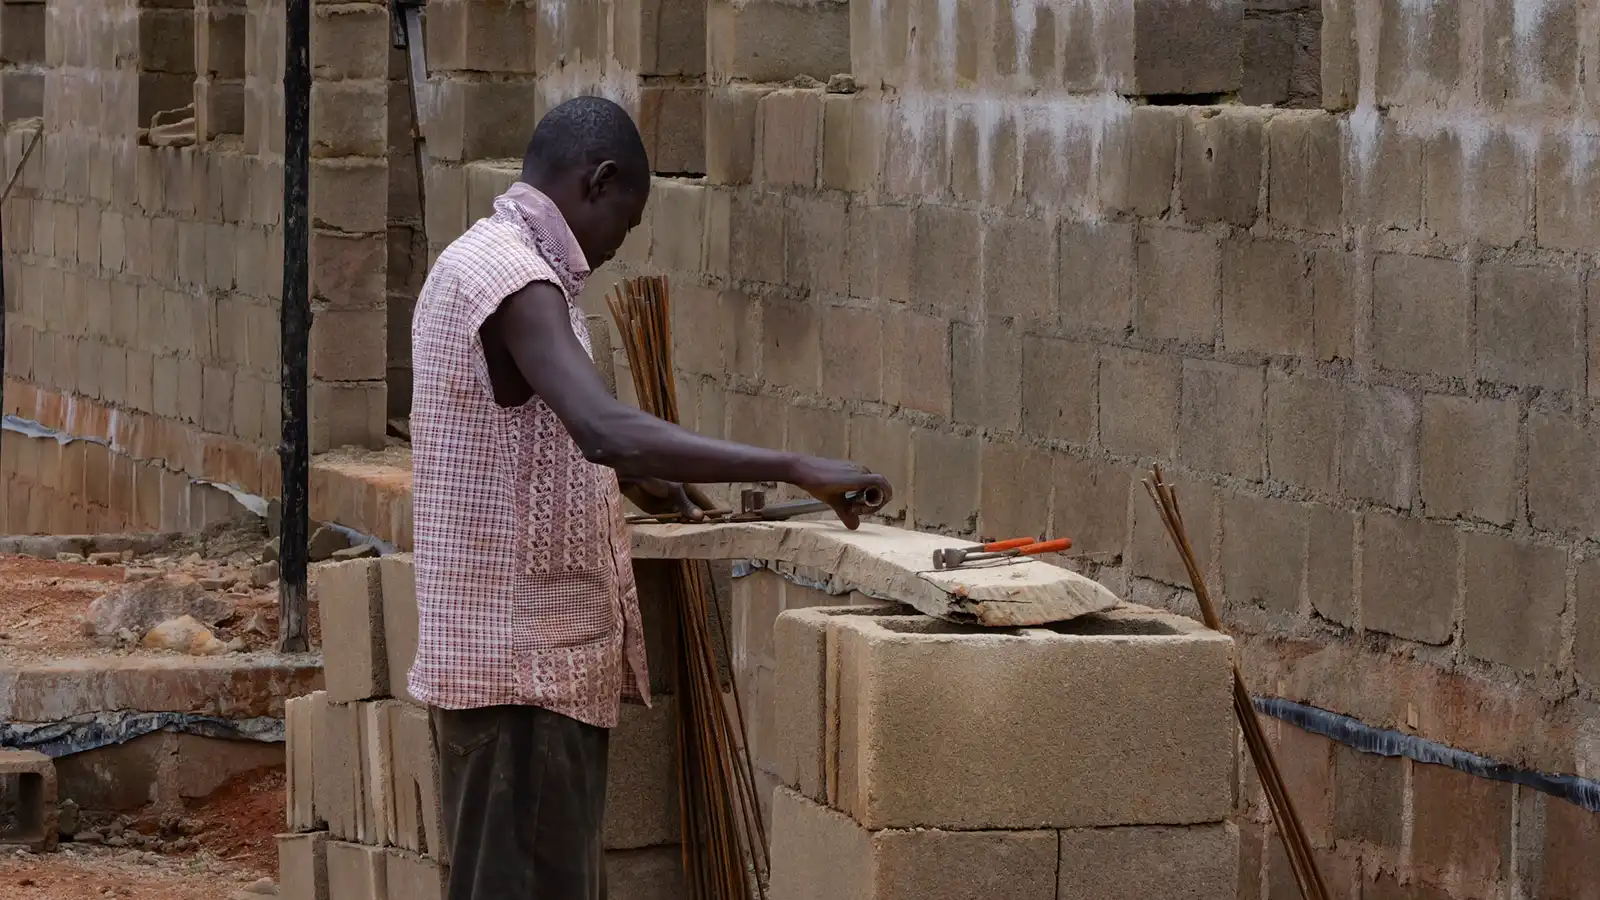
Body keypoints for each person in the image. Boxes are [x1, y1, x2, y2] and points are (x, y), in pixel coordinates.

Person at [406, 95, 891, 900]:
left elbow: (542, 431)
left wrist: (637, 479)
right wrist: (796, 464)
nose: (612, 250)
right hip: (524, 678)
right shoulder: (516, 277)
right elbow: (600, 426)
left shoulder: (480, 260)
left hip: (515, 672)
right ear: (598, 182)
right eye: (624, 225)